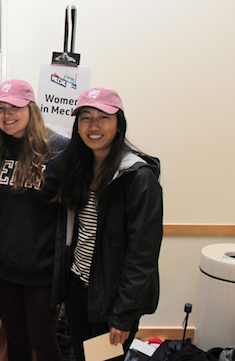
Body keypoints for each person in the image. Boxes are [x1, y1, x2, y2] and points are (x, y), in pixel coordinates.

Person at [56, 87, 163, 361]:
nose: (94, 126)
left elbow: (143, 254)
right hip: (79, 291)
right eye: (85, 118)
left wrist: (124, 314)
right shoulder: (80, 168)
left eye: (103, 117)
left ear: (119, 124)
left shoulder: (137, 178)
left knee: (103, 360)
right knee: (80, 357)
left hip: (112, 298)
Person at [0, 80, 66, 361]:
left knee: (43, 344)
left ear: (31, 109)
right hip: (4, 269)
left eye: (15, 107)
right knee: (16, 341)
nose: (8, 115)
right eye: (0, 109)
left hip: (42, 272)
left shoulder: (59, 151)